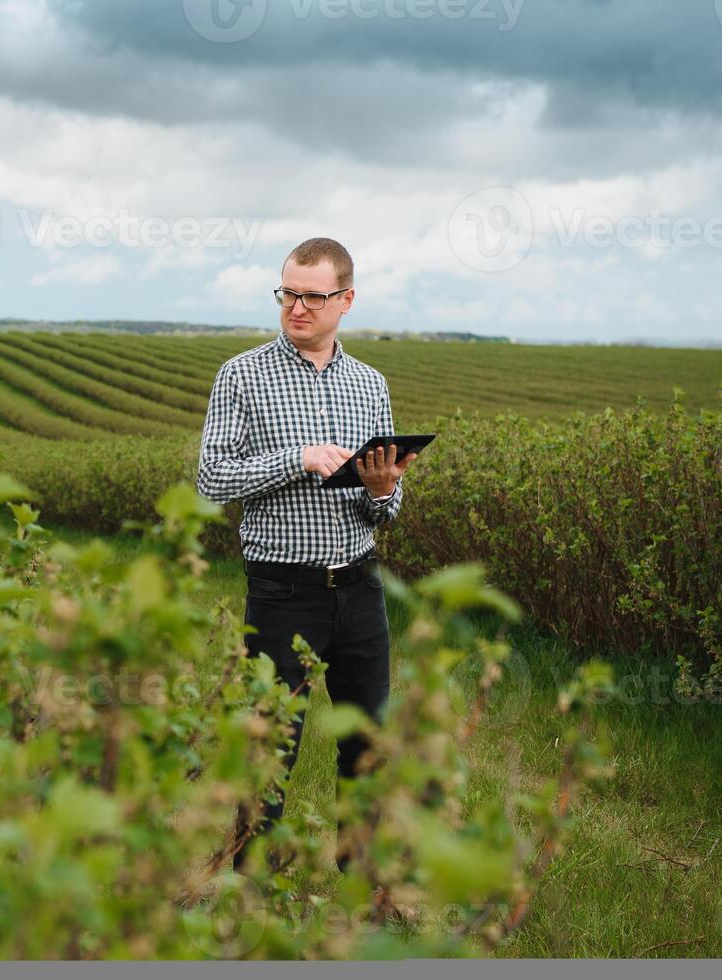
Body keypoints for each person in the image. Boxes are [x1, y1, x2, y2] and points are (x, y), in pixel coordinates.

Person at [194, 237, 420, 873]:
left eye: (313, 297)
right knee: (267, 747)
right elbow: (212, 478)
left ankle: (362, 889)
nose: (297, 307)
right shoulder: (241, 375)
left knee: (367, 747)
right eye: (288, 293)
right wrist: (296, 461)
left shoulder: (370, 385)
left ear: (345, 301)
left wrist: (382, 490)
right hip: (281, 592)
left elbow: (388, 510)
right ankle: (248, 886)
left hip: (359, 589)